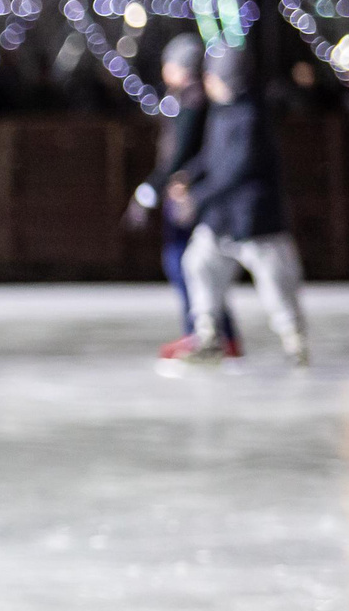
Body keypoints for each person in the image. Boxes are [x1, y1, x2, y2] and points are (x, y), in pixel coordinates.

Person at [177, 46, 309, 368]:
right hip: (222, 218)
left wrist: (199, 197)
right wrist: (188, 176)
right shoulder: (222, 111)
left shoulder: (252, 115)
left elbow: (237, 168)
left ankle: (294, 340)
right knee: (199, 263)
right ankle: (208, 334)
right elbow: (212, 156)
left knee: (276, 284)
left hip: (255, 220)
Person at [126, 34, 238, 362]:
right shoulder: (190, 99)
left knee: (186, 264)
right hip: (188, 190)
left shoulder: (192, 101)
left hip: (188, 194)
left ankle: (206, 332)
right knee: (196, 266)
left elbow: (182, 153)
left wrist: (154, 187)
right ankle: (212, 332)